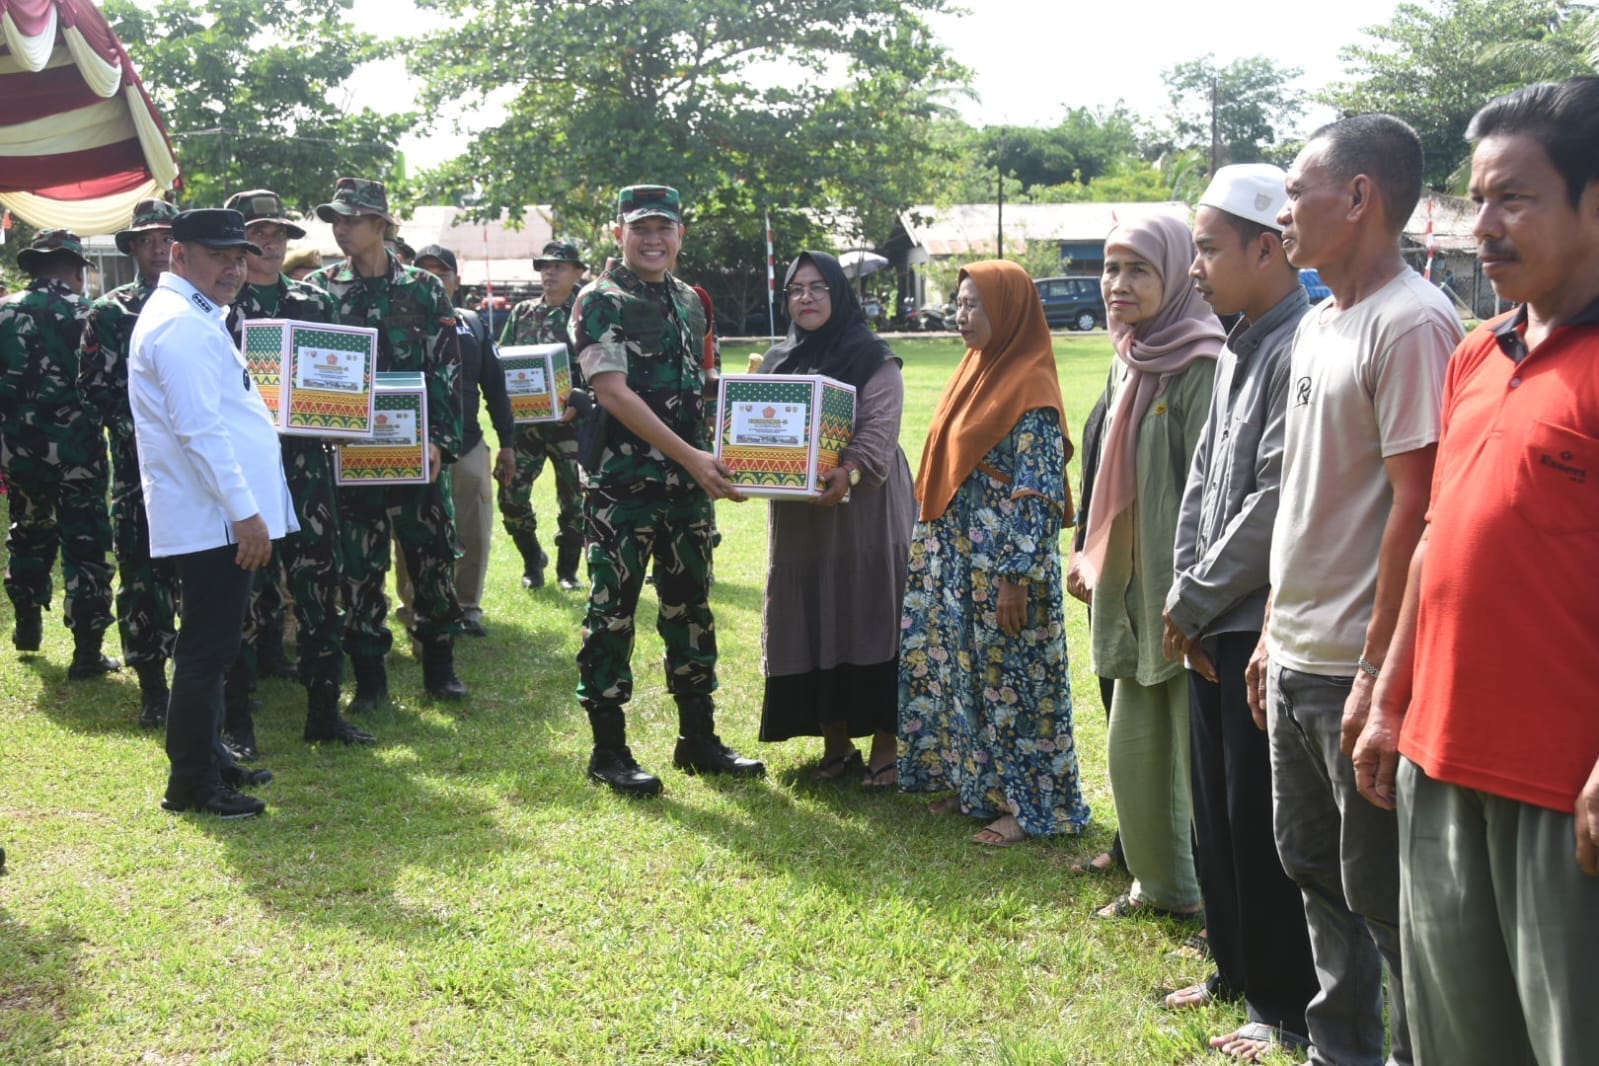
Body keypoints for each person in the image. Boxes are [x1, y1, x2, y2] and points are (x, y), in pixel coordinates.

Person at [1351, 77, 1599, 1066]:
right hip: (1440, 767)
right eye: (1476, 198)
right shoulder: (1476, 356)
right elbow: (1436, 537)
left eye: (1516, 198)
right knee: (1457, 1043)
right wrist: (1386, 699)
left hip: (1562, 797)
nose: (1481, 225)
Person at [1246, 114, 1462, 1066]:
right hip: (1295, 652)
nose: (1283, 211)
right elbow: (1306, 495)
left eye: (1297, 192)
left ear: (1359, 197)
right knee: (1310, 869)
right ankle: (1339, 1050)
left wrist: (1377, 670)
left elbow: (1416, 511)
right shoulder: (1321, 322)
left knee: (1382, 898)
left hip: (1354, 668)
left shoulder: (1413, 323)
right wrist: (1267, 632)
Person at [1161, 165, 1317, 1060]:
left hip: (1254, 619)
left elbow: (1269, 500)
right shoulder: (1235, 342)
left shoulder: (1300, 344)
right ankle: (1230, 969)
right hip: (1207, 616)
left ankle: (1281, 1002)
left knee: (1261, 824)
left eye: (1211, 249)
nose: (1196, 269)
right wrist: (1183, 591)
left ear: (1269, 247)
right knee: (1215, 810)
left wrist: (1198, 595)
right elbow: (1201, 487)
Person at [569, 184, 762, 796]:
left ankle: (697, 740)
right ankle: (609, 751)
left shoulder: (690, 300)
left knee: (691, 609)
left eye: (664, 228)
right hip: (623, 488)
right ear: (617, 232)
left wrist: (742, 439)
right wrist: (695, 459)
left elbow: (704, 386)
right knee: (612, 614)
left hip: (687, 488)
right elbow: (613, 393)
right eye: (640, 228)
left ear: (681, 234)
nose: (653, 239)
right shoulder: (599, 300)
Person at [898, 258, 1090, 845]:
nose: (961, 315)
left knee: (1018, 687)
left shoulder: (1029, 385)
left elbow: (1037, 489)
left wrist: (1016, 577)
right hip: (958, 562)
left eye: (975, 304)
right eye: (958, 303)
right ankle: (979, 787)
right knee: (965, 676)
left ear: (1008, 311)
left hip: (1001, 567)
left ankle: (1032, 808)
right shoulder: (973, 372)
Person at [129, 208, 297, 818]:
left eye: (238, 255)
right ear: (179, 255)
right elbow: (199, 431)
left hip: (215, 514)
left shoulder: (194, 315)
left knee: (216, 646)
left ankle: (209, 760)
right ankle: (192, 784)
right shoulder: (180, 324)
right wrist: (246, 514)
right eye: (218, 255)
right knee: (206, 650)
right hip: (213, 517)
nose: (235, 267)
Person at [1076, 213, 1220, 917]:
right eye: (1109, 269)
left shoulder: (1201, 361)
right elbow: (1104, 466)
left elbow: (1212, 492)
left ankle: (1197, 895)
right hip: (1128, 592)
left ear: (1176, 273)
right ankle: (1154, 884)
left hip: (1181, 596)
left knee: (1189, 763)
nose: (1117, 285)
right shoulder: (1127, 354)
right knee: (1132, 756)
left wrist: (1192, 594)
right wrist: (1088, 550)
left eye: (1138, 269)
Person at [305, 177, 467, 707]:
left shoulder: (423, 288)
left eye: (352, 219)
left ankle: (439, 666)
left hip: (418, 451)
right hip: (352, 453)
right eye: (336, 220)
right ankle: (370, 678)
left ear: (381, 225)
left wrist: (442, 438)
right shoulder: (322, 289)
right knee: (359, 565)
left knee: (432, 558)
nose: (341, 228)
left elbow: (446, 369)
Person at [224, 188, 375, 749]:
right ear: (236, 240)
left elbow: (341, 382)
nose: (268, 242)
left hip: (307, 468)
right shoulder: (218, 304)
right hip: (244, 472)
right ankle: (237, 723)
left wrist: (345, 415)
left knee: (319, 586)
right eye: (257, 232)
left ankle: (324, 714)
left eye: (277, 233)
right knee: (240, 590)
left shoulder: (314, 303)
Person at [756, 251, 914, 786]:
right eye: (796, 289)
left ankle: (886, 747)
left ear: (839, 295)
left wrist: (849, 470)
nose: (806, 298)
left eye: (819, 287)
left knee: (870, 606)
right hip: (802, 519)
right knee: (814, 606)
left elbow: (880, 427)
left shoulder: (872, 355)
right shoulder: (778, 361)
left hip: (863, 506)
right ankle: (836, 742)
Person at [79, 200, 181, 724]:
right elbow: (93, 388)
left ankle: (210, 682)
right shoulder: (111, 311)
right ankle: (151, 689)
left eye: (166, 236)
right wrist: (138, 428)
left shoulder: (205, 304)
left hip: (199, 470)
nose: (159, 246)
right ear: (134, 247)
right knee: (142, 578)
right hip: (139, 471)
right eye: (147, 239)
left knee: (203, 574)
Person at [0, 229, 119, 678]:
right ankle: (87, 652)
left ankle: (27, 616)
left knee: (28, 529)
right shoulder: (88, 314)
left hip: (18, 451)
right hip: (77, 455)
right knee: (85, 546)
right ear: (74, 270)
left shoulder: (3, 311)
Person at [401, 244, 514, 636]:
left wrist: (508, 443)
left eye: (441, 272)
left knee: (473, 526)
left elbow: (496, 387)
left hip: (467, 442)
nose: (434, 279)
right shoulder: (399, 319)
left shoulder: (473, 323)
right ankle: (413, 606)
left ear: (456, 280)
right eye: (424, 271)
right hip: (411, 444)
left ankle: (467, 606)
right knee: (412, 530)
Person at [498, 240, 586, 591]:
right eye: (544, 266)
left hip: (571, 426)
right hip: (525, 427)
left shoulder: (587, 312)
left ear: (578, 272)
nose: (549, 272)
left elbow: (601, 368)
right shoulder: (522, 312)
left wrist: (579, 401)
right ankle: (533, 560)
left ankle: (568, 571)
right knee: (510, 495)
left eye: (558, 266)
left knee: (575, 503)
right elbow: (501, 359)